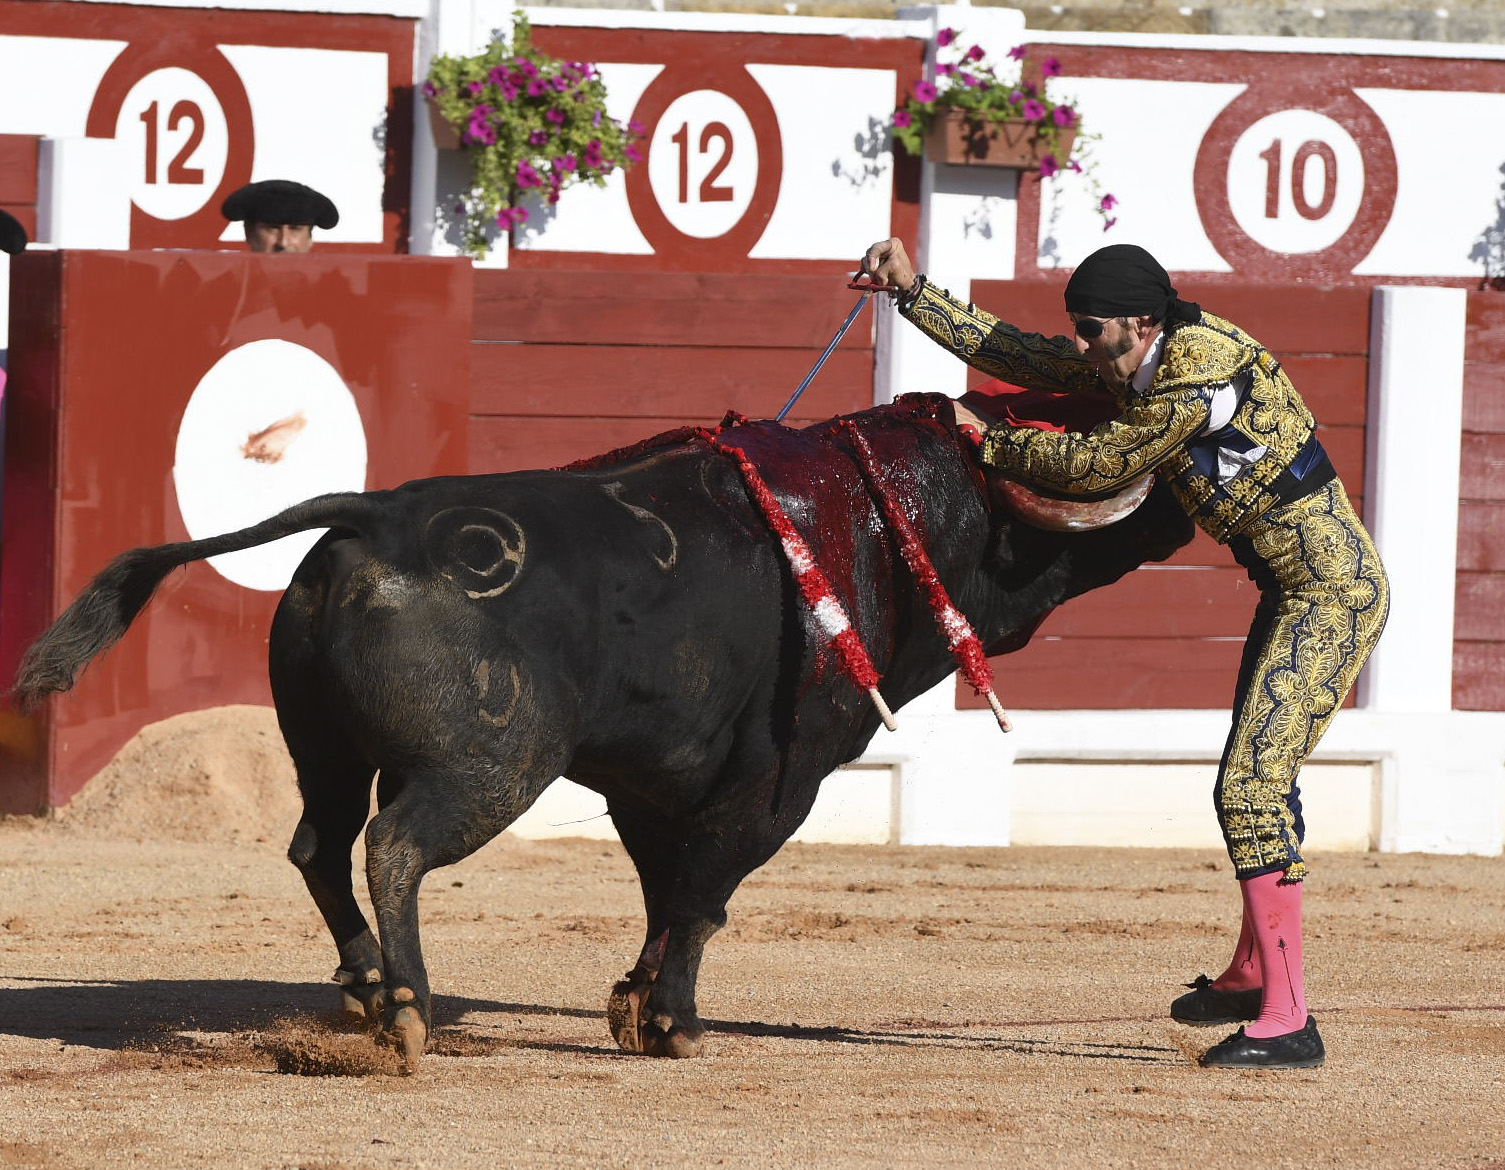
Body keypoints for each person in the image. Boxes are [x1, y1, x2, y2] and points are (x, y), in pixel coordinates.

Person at [860, 237, 1389, 1069]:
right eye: (1078, 324)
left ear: (1139, 322)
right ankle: (1254, 975)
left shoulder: (1193, 374)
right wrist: (911, 292)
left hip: (1331, 596)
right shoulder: (1142, 350)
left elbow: (1095, 462)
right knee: (1258, 782)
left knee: (1249, 789)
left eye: (1089, 327)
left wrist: (983, 441)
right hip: (1296, 587)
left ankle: (1289, 1020)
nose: (1077, 341)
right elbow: (1023, 355)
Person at [221, 179, 338, 253]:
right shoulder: (225, 288)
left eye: (295, 229)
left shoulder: (332, 290)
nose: (283, 242)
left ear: (309, 238)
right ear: (249, 233)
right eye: (272, 228)